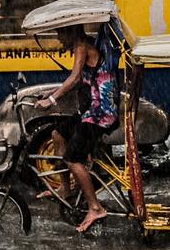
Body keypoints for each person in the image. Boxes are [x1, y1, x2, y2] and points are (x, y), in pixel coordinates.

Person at [43, 24, 119, 234]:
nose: (59, 39)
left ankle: (95, 207)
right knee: (58, 134)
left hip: (99, 114)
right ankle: (66, 188)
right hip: (90, 111)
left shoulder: (81, 47)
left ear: (70, 32)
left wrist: (52, 99)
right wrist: (53, 91)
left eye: (60, 34)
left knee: (73, 158)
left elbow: (75, 77)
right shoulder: (85, 46)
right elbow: (78, 80)